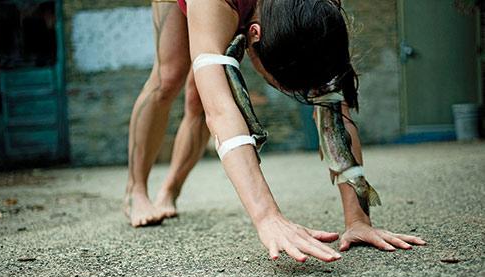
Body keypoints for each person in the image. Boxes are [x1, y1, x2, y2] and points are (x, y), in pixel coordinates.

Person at [124, 0, 426, 263]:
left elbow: (334, 101)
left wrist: (358, 219)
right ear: (252, 34)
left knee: (197, 98)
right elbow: (221, 112)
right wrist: (267, 216)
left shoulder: (318, 7)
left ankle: (169, 191)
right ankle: (136, 191)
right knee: (171, 77)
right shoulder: (214, 5)